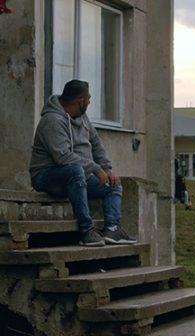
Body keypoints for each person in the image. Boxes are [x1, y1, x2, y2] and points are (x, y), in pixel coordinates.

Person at [29, 80, 136, 246]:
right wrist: (95, 168)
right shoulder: (52, 121)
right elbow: (62, 157)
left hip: (75, 177)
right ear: (81, 101)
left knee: (113, 185)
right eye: (89, 98)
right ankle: (86, 231)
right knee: (75, 171)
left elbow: (96, 144)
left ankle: (112, 229)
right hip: (46, 176)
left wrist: (106, 169)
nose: (90, 102)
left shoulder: (83, 118)